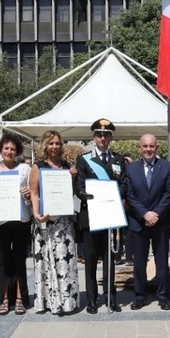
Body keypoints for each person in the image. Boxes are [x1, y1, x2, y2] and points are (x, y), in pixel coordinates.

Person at [76, 118, 126, 314]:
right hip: (92, 215)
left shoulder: (118, 160)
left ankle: (111, 297)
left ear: (111, 137)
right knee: (90, 260)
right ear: (93, 137)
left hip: (111, 216)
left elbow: (124, 185)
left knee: (109, 260)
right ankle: (91, 300)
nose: (103, 138)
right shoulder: (84, 159)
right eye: (99, 134)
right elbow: (79, 187)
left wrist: (115, 197)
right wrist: (91, 197)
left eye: (106, 135)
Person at [123, 132, 170, 311]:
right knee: (139, 262)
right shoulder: (130, 169)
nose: (148, 149)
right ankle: (140, 295)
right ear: (140, 148)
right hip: (139, 222)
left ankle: (163, 295)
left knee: (162, 260)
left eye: (151, 146)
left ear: (157, 147)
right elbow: (129, 195)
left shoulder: (167, 167)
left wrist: (155, 214)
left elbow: (169, 193)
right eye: (145, 146)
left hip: (161, 222)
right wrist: (145, 214)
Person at [0, 133, 32, 315]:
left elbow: (31, 197)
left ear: (17, 151)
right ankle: (3, 299)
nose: (9, 151)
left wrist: (27, 196)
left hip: (20, 220)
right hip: (0, 221)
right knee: (3, 261)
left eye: (12, 149)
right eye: (6, 148)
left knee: (19, 260)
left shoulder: (25, 169)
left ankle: (19, 298)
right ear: (0, 150)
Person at [29, 130, 80, 315]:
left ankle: (67, 301)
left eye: (57, 143)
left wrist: (72, 178)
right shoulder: (38, 166)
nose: (54, 146)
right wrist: (36, 214)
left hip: (64, 221)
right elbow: (34, 193)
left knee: (64, 261)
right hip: (46, 220)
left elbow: (71, 193)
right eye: (51, 143)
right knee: (48, 260)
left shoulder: (66, 165)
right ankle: (50, 301)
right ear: (45, 145)